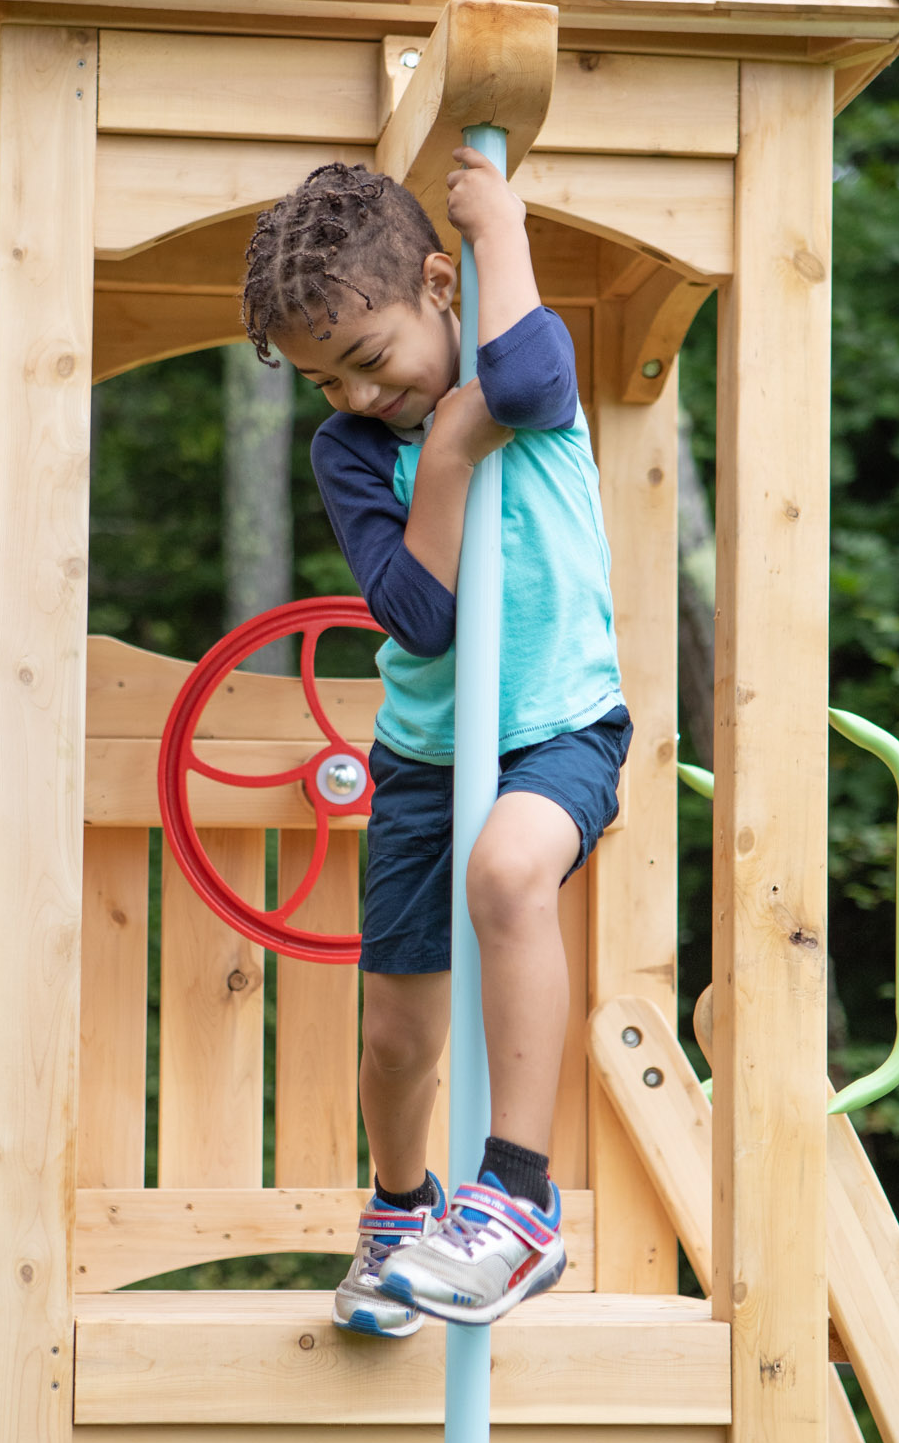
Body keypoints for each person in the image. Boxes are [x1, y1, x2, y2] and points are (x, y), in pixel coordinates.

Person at [240, 152, 631, 1333]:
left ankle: (517, 1198)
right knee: (397, 1034)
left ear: (439, 286)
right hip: (422, 756)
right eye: (326, 380)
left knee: (508, 872)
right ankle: (402, 1208)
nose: (359, 394)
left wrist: (501, 224)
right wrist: (448, 454)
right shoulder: (355, 451)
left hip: (559, 727)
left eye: (371, 357)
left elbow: (521, 376)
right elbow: (419, 614)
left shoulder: (526, 383)